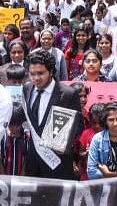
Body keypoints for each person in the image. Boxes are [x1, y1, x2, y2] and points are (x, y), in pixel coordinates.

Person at [24, 50, 82, 179]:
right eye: (32, 74)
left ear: (51, 71)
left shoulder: (68, 94)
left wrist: (65, 142)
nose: (36, 78)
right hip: (34, 159)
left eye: (40, 73)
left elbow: (79, 125)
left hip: (57, 161)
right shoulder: (27, 89)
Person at [87, 103, 117, 179]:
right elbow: (91, 171)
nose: (115, 123)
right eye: (111, 120)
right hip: (101, 186)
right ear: (105, 121)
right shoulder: (97, 139)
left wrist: (108, 174)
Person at [76, 103, 105, 180]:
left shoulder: (110, 134)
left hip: (105, 175)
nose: (97, 126)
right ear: (90, 120)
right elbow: (80, 154)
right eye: (94, 123)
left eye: (101, 123)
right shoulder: (86, 133)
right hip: (87, 175)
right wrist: (87, 153)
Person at [0, 104, 29, 176]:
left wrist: (22, 174)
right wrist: (3, 176)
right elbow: (0, 159)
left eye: (16, 125)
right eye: (10, 125)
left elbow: (26, 158)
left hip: (20, 177)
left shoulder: (26, 138)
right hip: (5, 176)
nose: (13, 128)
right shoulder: (3, 137)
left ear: (21, 124)